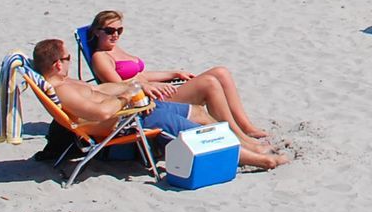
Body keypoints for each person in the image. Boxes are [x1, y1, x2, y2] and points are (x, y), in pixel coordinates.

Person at [31, 39, 283, 170]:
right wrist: (127, 98)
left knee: (198, 112)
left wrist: (133, 88)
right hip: (127, 122)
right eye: (66, 58)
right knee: (195, 132)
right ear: (56, 64)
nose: (68, 61)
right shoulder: (62, 90)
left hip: (137, 110)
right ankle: (261, 161)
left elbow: (99, 90)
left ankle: (248, 144)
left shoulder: (67, 81)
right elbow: (100, 111)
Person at [83, 10, 271, 140]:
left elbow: (140, 74)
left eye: (119, 30)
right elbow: (121, 88)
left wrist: (172, 73)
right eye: (109, 31)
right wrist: (147, 86)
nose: (115, 35)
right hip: (151, 103)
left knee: (221, 72)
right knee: (209, 83)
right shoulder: (101, 57)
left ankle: (246, 126)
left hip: (155, 91)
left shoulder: (115, 49)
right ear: (97, 32)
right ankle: (234, 133)